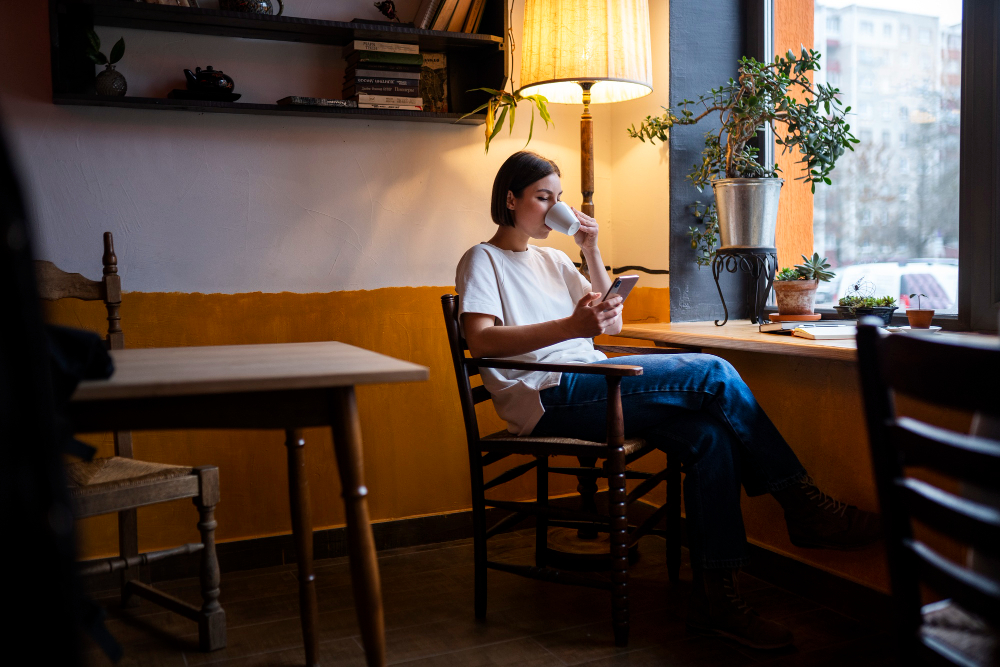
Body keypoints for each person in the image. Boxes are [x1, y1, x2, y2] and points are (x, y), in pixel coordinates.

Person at [455, 151, 882, 650]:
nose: (554, 206)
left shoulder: (553, 259)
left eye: (559, 197)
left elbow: (609, 324)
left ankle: (715, 601)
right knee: (714, 371)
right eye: (543, 198)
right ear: (511, 199)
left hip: (592, 379)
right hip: (548, 394)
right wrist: (572, 328)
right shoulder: (481, 260)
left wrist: (590, 249)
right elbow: (481, 342)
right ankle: (804, 505)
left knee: (709, 437)